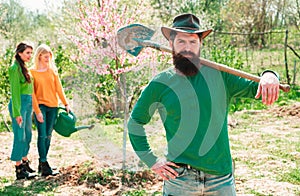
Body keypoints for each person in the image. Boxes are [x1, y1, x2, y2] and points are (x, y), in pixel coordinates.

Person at [127, 13, 280, 195]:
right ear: (171, 44)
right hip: (179, 179)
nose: (187, 48)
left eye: (193, 42)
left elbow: (260, 86)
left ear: (200, 44)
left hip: (220, 179)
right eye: (181, 42)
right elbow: (135, 122)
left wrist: (270, 75)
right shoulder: (160, 84)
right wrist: (152, 161)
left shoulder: (220, 76)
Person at [30, 44, 70, 176]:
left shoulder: (52, 71)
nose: (48, 59)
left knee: (48, 135)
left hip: (53, 106)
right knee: (41, 135)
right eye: (45, 56)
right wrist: (37, 111)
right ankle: (44, 163)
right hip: (40, 106)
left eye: (49, 56)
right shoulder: (32, 73)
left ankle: (43, 164)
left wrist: (65, 103)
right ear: (39, 56)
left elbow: (59, 88)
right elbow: (32, 94)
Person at [8, 42, 37, 180]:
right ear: (19, 53)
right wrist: (17, 113)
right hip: (18, 104)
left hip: (27, 104)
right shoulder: (14, 68)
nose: (30, 56)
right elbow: (15, 92)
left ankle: (25, 162)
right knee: (20, 136)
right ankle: (19, 168)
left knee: (28, 135)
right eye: (27, 53)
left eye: (31, 53)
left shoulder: (24, 67)